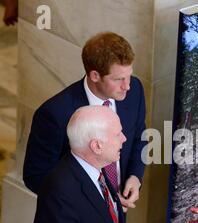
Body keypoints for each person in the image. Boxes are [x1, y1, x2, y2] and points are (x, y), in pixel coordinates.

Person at [23, 32, 146, 210]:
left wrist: (135, 176)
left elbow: (139, 136)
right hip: (76, 219)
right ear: (95, 75)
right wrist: (93, 202)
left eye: (128, 76)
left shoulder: (134, 91)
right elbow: (36, 176)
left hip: (119, 212)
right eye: (118, 79)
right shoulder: (54, 114)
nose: (127, 85)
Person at [30, 106, 128, 223]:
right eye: (118, 134)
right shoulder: (59, 189)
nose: (124, 139)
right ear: (96, 146)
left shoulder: (95, 168)